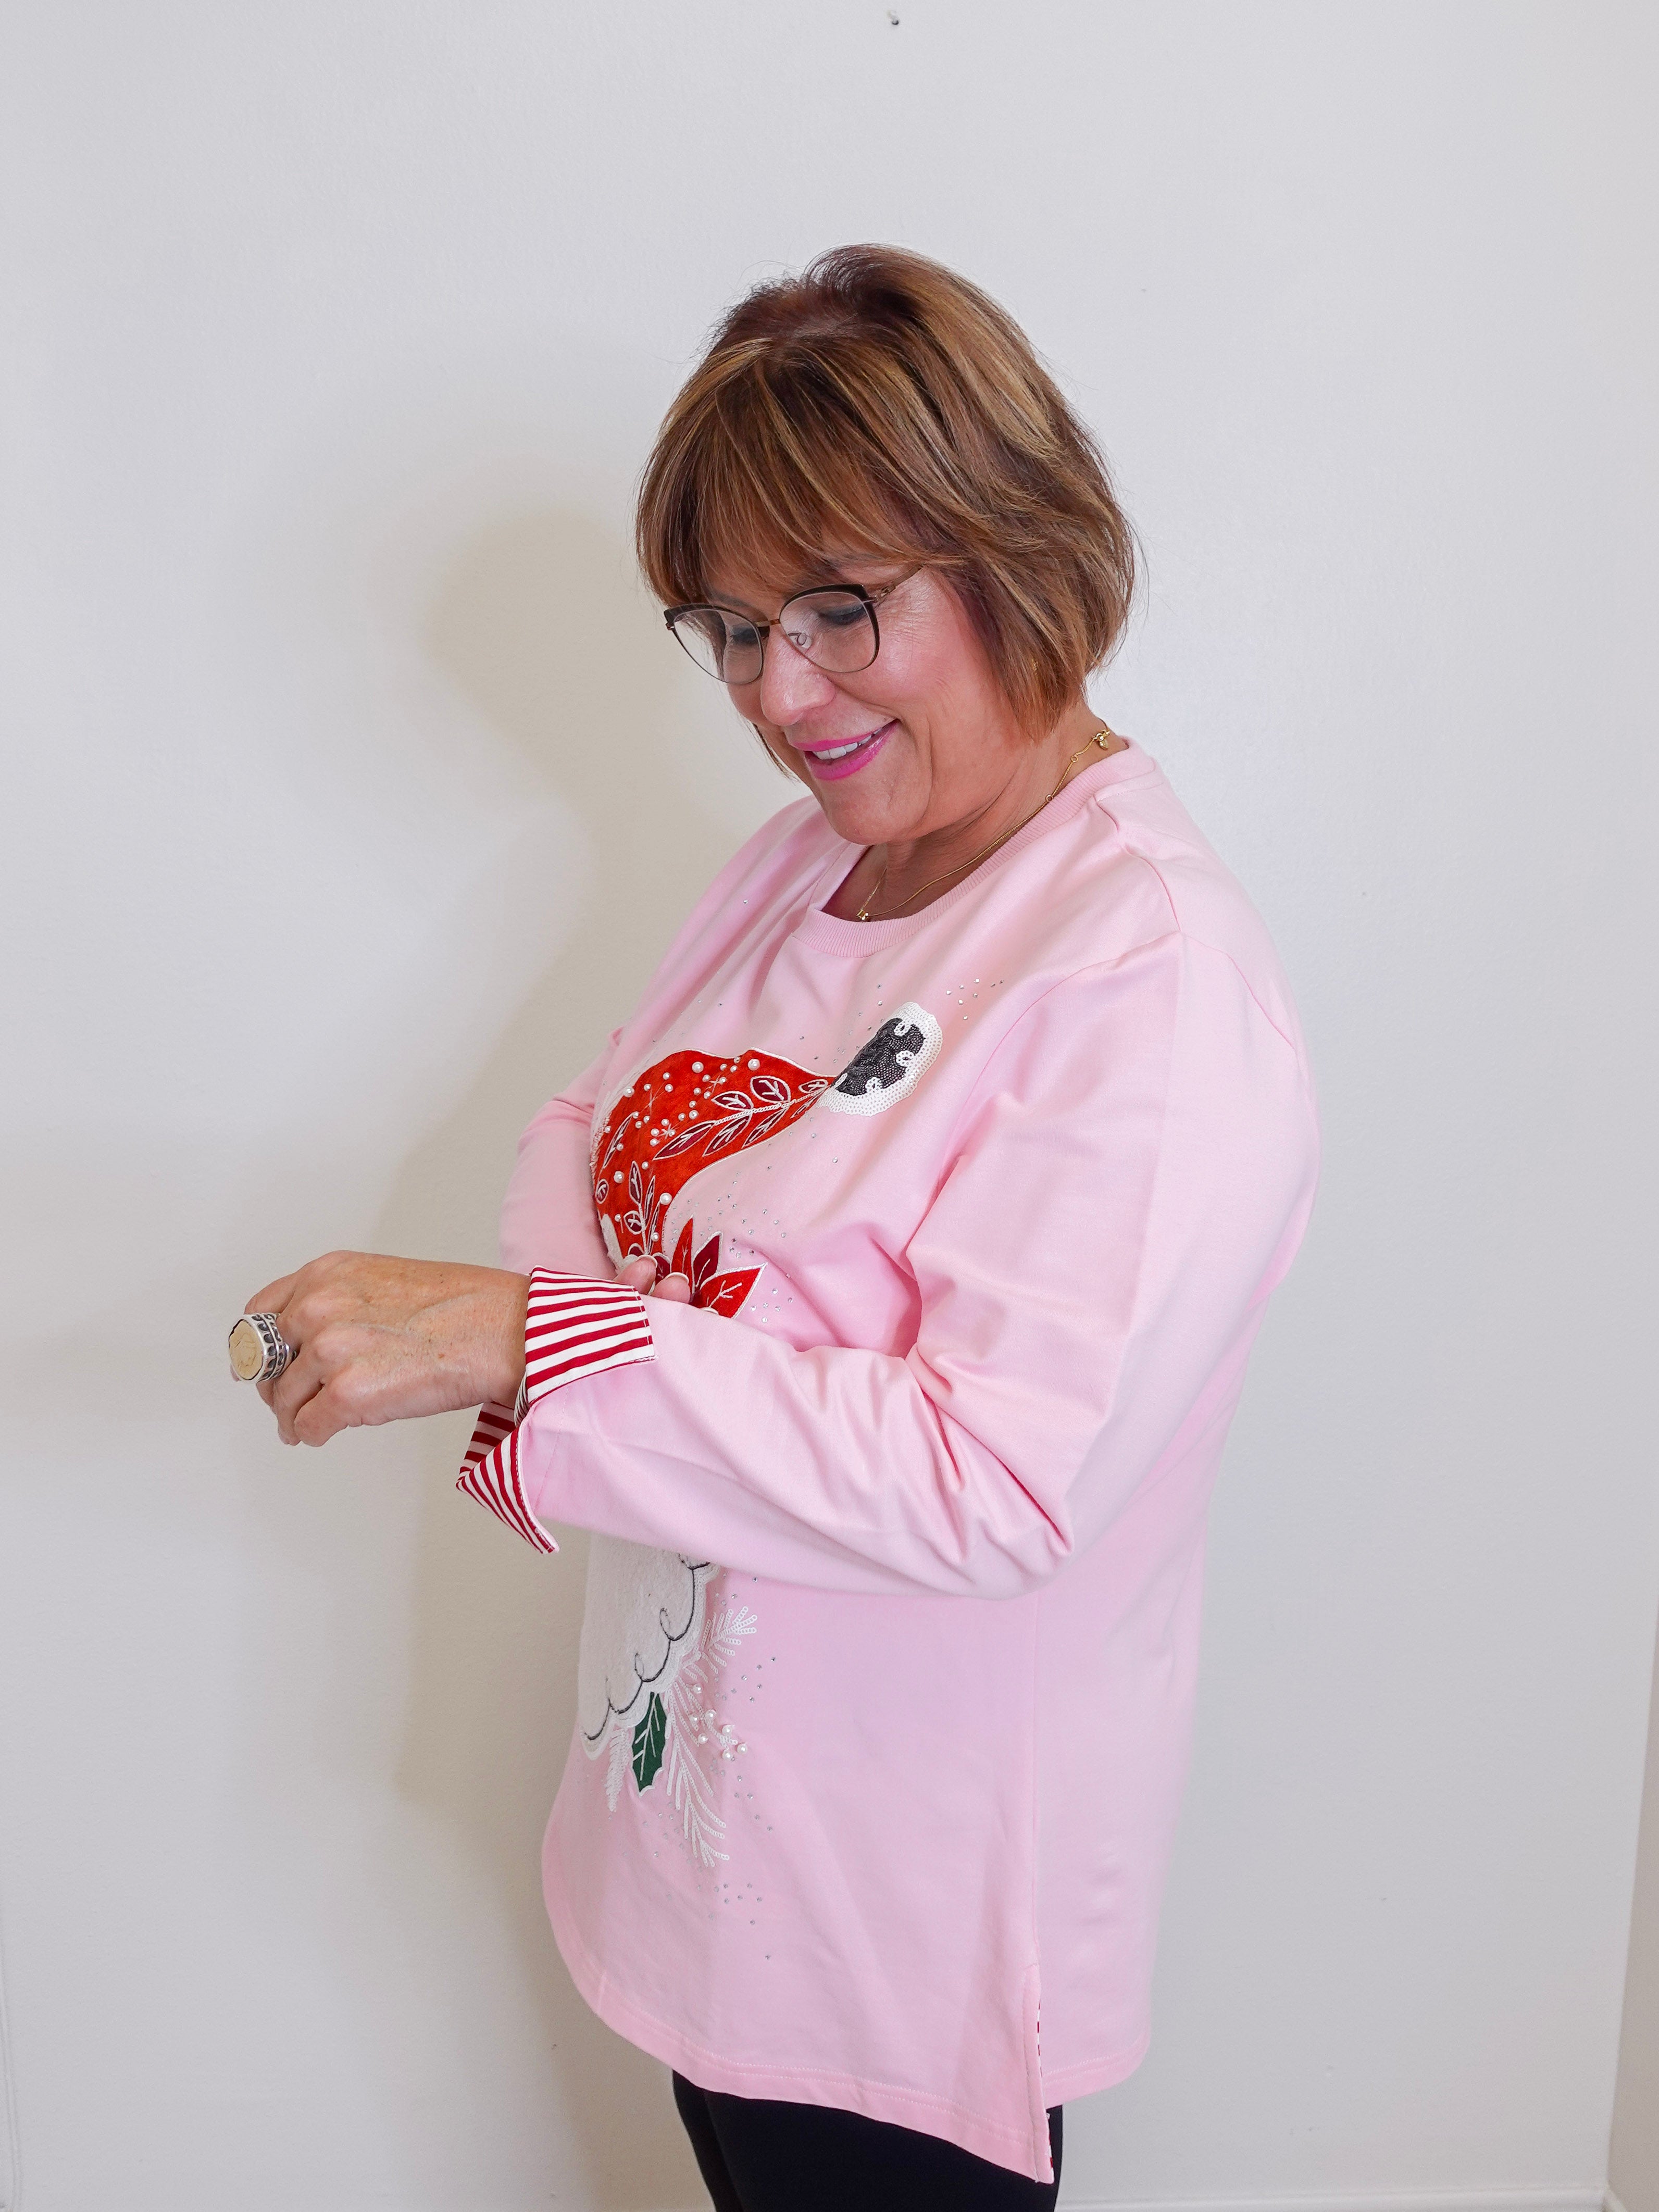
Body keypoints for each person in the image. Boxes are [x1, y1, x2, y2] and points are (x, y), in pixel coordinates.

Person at [238, 245, 1320, 2211]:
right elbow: (601, 1138)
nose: (781, 694)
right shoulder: (807, 863)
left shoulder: (1138, 973)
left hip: (900, 1895)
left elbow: (996, 1479)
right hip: (704, 1818)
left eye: (842, 607)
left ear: (1022, 548)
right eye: (730, 628)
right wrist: (617, 1331)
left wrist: (523, 1337)